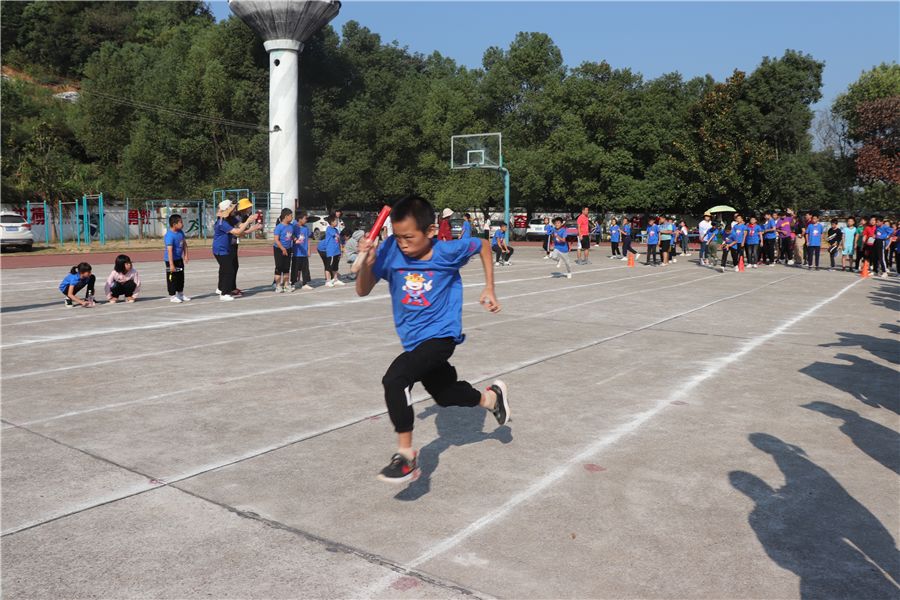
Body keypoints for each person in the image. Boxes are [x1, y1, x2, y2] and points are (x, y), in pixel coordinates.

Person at [353, 194, 508, 483]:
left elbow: (484, 245)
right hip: (413, 340)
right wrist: (367, 263)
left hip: (441, 335)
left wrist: (489, 288)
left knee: (396, 379)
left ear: (431, 231)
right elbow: (362, 290)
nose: (403, 244)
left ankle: (406, 456)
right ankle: (491, 399)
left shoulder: (447, 252)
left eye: (409, 237)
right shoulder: (389, 251)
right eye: (398, 237)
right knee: (445, 395)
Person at [213, 199, 260, 301]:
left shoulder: (230, 219)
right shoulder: (222, 223)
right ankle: (224, 293)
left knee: (227, 269)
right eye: (233, 208)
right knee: (229, 270)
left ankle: (222, 289)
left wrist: (251, 226)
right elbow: (238, 232)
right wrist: (248, 221)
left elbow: (241, 227)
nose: (235, 209)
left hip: (226, 248)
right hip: (220, 249)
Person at [164, 214, 190, 303]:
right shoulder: (169, 235)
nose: (182, 224)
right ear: (174, 224)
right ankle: (172, 296)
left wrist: (186, 255)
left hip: (179, 259)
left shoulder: (180, 232)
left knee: (180, 277)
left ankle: (180, 294)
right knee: (172, 278)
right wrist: (171, 264)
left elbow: (184, 244)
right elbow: (169, 251)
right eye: (181, 222)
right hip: (171, 260)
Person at [272, 208, 294, 292]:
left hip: (288, 249)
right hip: (279, 249)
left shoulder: (291, 226)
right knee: (279, 267)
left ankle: (286, 285)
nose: (292, 217)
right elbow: (276, 240)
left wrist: (295, 239)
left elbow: (291, 236)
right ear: (286, 216)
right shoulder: (279, 227)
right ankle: (278, 286)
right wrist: (282, 248)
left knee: (286, 268)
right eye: (291, 216)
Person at [319, 214, 344, 287]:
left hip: (336, 250)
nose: (337, 222)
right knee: (328, 265)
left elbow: (339, 240)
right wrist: (339, 236)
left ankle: (335, 279)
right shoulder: (329, 229)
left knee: (335, 265)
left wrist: (341, 250)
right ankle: (328, 281)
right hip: (330, 250)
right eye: (336, 221)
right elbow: (336, 236)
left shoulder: (336, 230)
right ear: (331, 222)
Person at [291, 211, 313, 290]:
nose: (306, 220)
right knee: (295, 268)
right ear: (299, 219)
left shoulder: (306, 228)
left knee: (305, 268)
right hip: (297, 252)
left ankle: (305, 283)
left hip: (304, 252)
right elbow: (291, 235)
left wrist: (309, 250)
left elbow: (308, 240)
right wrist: (294, 239)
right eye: (305, 218)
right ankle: (293, 283)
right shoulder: (294, 227)